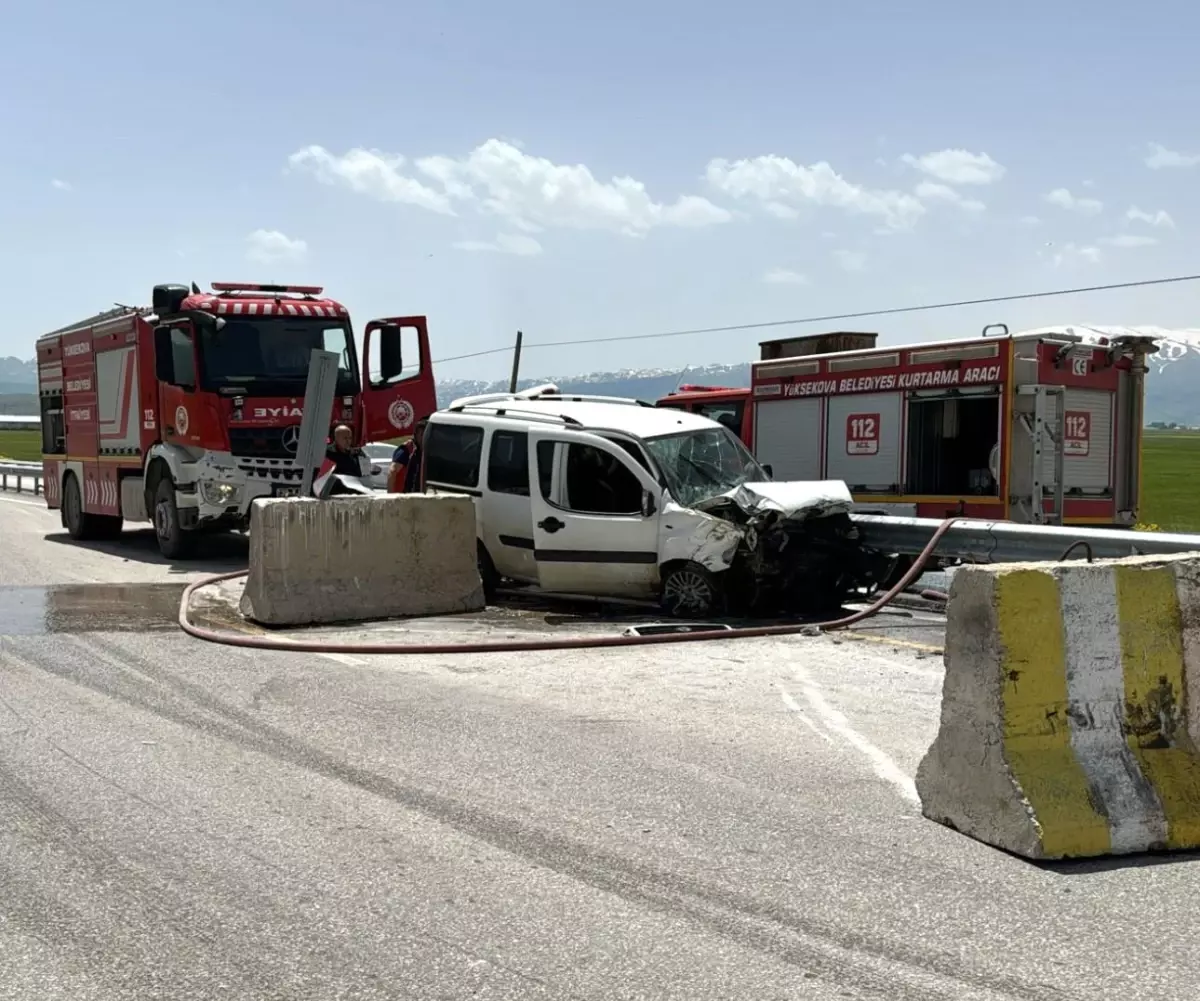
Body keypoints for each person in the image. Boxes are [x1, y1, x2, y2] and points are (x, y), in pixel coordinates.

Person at [388, 418, 427, 493]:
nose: (424, 438)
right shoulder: (407, 450)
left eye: (426, 435)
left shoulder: (425, 451)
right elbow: (392, 471)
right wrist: (390, 497)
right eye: (422, 435)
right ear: (416, 435)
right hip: (403, 496)